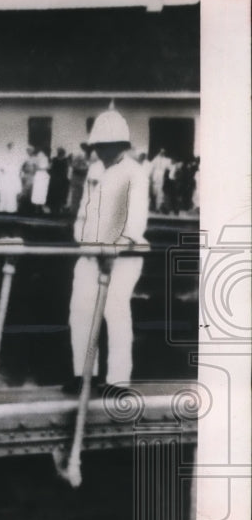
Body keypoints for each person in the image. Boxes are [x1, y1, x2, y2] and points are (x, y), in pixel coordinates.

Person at [66, 107, 148, 396]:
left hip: (123, 258)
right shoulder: (95, 170)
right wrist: (84, 241)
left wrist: (115, 247)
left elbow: (136, 219)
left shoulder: (136, 173)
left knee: (115, 311)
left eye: (101, 146)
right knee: (79, 312)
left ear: (117, 145)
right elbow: (83, 213)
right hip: (90, 254)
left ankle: (117, 382)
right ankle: (83, 375)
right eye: (95, 146)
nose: (96, 152)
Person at [0, 142, 22, 214]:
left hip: (12, 178)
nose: (10, 148)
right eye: (9, 146)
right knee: (3, 193)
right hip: (4, 178)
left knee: (11, 193)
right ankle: (2, 207)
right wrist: (2, 169)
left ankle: (11, 208)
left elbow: (17, 168)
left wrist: (11, 171)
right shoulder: (3, 156)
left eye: (11, 147)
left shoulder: (16, 156)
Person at [67, 143, 91, 216]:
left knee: (79, 195)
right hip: (78, 176)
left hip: (82, 177)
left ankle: (76, 211)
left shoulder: (86, 155)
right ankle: (74, 211)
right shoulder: (80, 155)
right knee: (76, 195)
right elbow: (74, 165)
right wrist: (83, 168)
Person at [46, 147, 70, 214]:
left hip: (61, 180)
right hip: (55, 180)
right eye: (60, 152)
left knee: (61, 195)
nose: (60, 153)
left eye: (61, 152)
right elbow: (49, 169)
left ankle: (58, 209)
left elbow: (67, 170)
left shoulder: (65, 160)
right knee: (53, 195)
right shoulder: (54, 160)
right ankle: (53, 209)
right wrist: (52, 174)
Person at [29, 146, 50, 214]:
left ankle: (38, 207)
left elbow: (36, 168)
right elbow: (37, 168)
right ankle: (38, 207)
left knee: (39, 191)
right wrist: (45, 168)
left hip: (41, 176)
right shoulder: (40, 158)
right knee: (40, 191)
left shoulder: (39, 158)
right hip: (40, 176)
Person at [149, 148, 171, 213]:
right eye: (161, 152)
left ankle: (158, 207)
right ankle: (153, 206)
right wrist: (151, 177)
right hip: (155, 177)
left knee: (160, 192)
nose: (162, 153)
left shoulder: (167, 160)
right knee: (154, 192)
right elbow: (151, 167)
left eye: (163, 152)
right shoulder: (155, 159)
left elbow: (169, 168)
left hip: (162, 176)